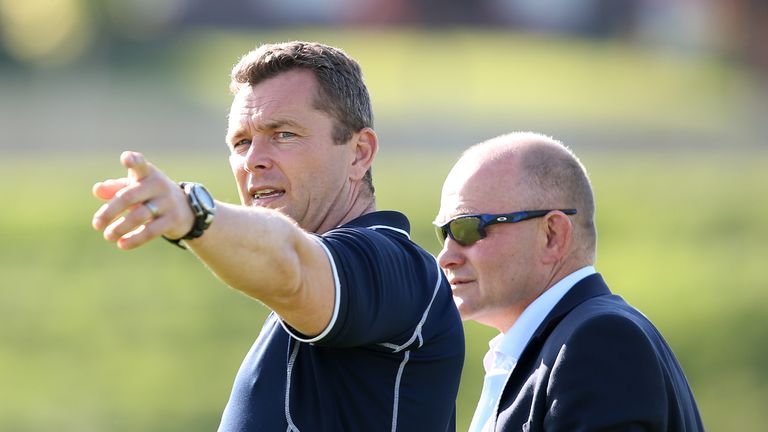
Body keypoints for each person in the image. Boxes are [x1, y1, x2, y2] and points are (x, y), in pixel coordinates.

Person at [91, 41, 464, 431]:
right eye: (241, 142)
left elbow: (291, 264)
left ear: (359, 153)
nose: (253, 159)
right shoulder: (298, 296)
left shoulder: (396, 267)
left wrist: (194, 213)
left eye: (283, 134)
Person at [433, 132, 704, 431]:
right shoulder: (558, 344)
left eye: (468, 228)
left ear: (552, 235)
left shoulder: (597, 342)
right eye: (444, 233)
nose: (446, 257)